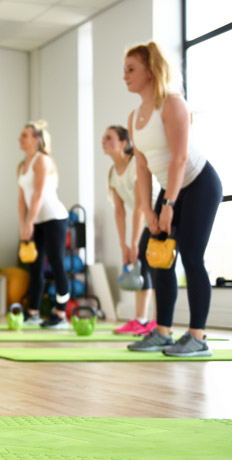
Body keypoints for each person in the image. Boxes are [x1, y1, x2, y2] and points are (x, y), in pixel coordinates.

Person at [123, 42, 222, 357]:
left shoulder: (173, 104)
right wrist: (150, 211)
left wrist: (168, 205)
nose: (124, 76)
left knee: (191, 257)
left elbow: (179, 158)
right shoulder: (135, 117)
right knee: (158, 257)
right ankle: (163, 332)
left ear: (150, 71)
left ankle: (197, 337)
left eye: (131, 70)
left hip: (199, 185)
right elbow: (141, 168)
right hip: (169, 190)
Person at [102, 125, 158, 336]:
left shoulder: (135, 164)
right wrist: (123, 245)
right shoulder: (113, 173)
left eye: (109, 138)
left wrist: (133, 243)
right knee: (141, 269)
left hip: (156, 216)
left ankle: (158, 322)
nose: (104, 141)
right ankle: (141, 320)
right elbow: (119, 211)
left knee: (153, 269)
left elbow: (142, 207)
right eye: (103, 138)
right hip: (144, 221)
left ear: (124, 143)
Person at [17, 120, 71, 329]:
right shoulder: (22, 166)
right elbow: (22, 198)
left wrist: (30, 221)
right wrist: (23, 224)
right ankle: (33, 313)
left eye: (24, 135)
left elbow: (38, 194)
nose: (20, 139)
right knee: (35, 267)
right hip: (37, 220)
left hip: (54, 218)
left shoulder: (42, 160)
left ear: (36, 139)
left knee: (57, 264)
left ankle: (60, 314)